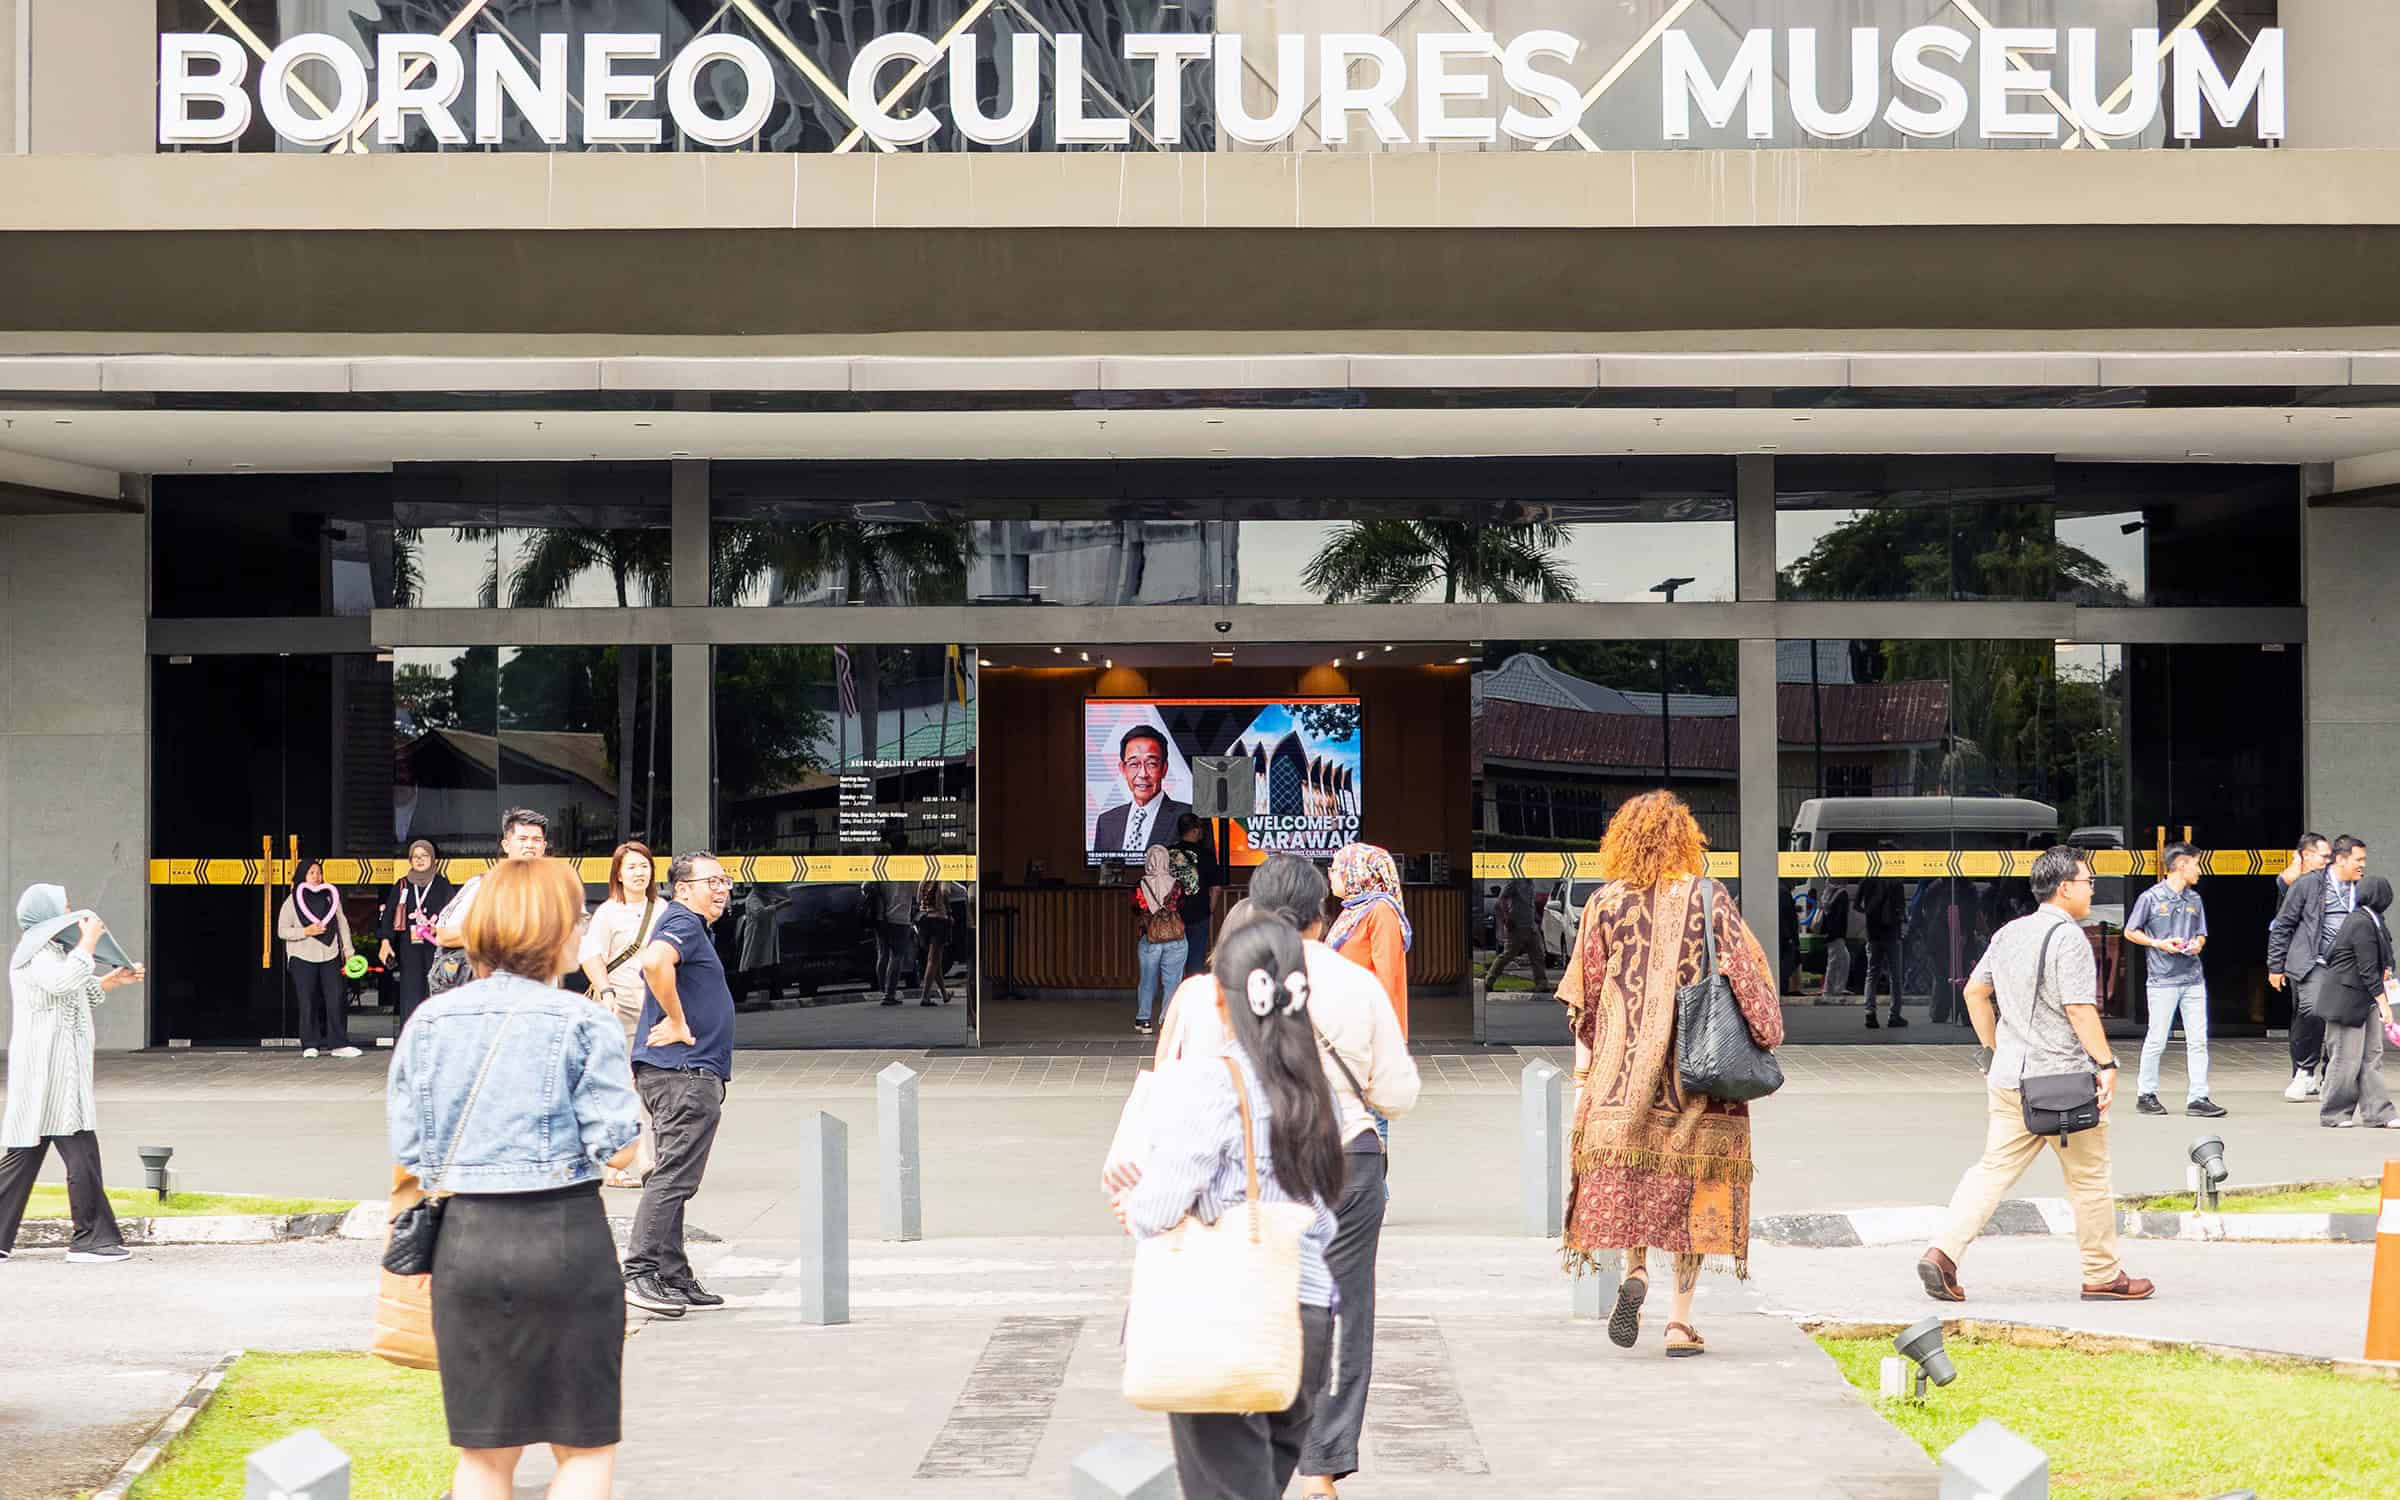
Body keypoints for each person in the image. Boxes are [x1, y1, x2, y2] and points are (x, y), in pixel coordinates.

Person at [385, 857, 641, 1500]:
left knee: (485, 1456)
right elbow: (619, 1150)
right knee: (583, 1449)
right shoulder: (585, 1021)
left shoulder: (429, 1022)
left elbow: (411, 1149)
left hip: (465, 1244)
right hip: (566, 1239)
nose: (581, 929)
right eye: (577, 918)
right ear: (553, 929)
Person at [1113, 920, 1345, 1500]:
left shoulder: (1215, 1082)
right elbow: (1325, 1212)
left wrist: (1133, 1204)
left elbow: (1159, 1207)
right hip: (1308, 1319)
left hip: (1226, 1314)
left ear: (1223, 997)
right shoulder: (1320, 1088)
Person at [1556, 792, 1782, 1358]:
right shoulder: (1709, 897)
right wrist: (1767, 1030)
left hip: (1621, 1079)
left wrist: (1586, 1075)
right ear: (1686, 838)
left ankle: (1635, 1272)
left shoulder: (1604, 903)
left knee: (1636, 1179)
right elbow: (1748, 975)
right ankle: (1680, 1323)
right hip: (1697, 1074)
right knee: (1693, 1189)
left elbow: (1583, 999)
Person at [1918, 847, 2154, 1307]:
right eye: (2088, 882)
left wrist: (1994, 1051)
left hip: (2010, 1079)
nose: (2092, 890)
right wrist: (2107, 1065)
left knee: (1991, 1170)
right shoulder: (2070, 939)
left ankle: (1942, 1253)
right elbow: (2079, 1009)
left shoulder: (2009, 933)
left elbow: (1975, 992)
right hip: (2064, 1084)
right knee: (2089, 1179)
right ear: (2065, 888)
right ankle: (2103, 1275)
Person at [1, 886, 144, 1264]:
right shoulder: (39, 954)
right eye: (63, 906)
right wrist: (89, 940)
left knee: (25, 1155)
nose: (70, 911)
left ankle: (91, 1237)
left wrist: (112, 980)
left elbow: (73, 992)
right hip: (53, 1071)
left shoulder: (50, 953)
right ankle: (91, 1239)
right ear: (46, 913)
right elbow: (63, 983)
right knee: (80, 1148)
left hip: (50, 1071)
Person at [623, 851, 738, 1318]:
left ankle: (671, 1273)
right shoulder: (683, 922)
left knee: (672, 1173)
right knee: (675, 1177)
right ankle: (639, 1270)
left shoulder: (691, 926)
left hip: (678, 1073)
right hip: (683, 1073)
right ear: (684, 888)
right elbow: (654, 963)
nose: (722, 889)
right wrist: (676, 1020)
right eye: (713, 881)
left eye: (725, 881)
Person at [579, 842, 665, 1187]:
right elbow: (590, 955)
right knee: (627, 1085)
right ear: (618, 874)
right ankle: (642, 1161)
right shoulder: (608, 913)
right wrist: (606, 991)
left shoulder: (663, 909)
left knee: (646, 1084)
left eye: (644, 866)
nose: (639, 872)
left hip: (653, 1009)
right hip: (617, 1008)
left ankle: (616, 1167)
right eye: (631, 867)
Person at [2126, 844, 2224, 1119]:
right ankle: (2145, 1094)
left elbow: (2202, 934)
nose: (2199, 870)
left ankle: (2198, 1097)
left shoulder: (2194, 899)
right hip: (2162, 979)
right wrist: (2158, 943)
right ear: (2182, 865)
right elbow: (2130, 931)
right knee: (2157, 1038)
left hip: (2193, 977)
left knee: (2198, 1040)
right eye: (2196, 864)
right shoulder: (2151, 897)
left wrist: (2197, 944)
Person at [2269, 834, 2368, 1103]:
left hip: (2347, 964)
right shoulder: (2308, 884)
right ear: (2342, 859)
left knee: (2340, 1019)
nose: (2362, 865)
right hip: (2314, 961)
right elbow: (2284, 924)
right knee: (2312, 1009)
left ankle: (2329, 1076)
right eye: (2359, 859)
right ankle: (2304, 1070)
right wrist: (2275, 965)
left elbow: (2375, 925)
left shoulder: (2360, 887)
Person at [2317, 874, 2399, 1129]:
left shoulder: (2374, 921)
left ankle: (2379, 1113)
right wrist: (2385, 1005)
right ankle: (2334, 1113)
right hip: (2347, 1000)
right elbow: (2366, 968)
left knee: (2372, 1056)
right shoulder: (2361, 922)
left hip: (2364, 999)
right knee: (2346, 1058)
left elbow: (2383, 959)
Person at [434, 809, 552, 951]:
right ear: (506, 845)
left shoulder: (556, 892)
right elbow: (444, 935)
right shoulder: (482, 885)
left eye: (536, 840)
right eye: (522, 839)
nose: (530, 845)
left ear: (543, 847)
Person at [277, 858, 359, 1059]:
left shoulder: (330, 897)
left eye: (319, 872)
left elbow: (342, 925)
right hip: (302, 956)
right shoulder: (292, 901)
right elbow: (282, 931)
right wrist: (306, 931)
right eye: (311, 873)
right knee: (308, 1000)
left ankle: (339, 1044)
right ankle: (310, 1044)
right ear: (302, 876)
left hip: (330, 954)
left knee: (336, 997)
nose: (316, 876)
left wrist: (349, 952)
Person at [1326, 843, 1410, 1036]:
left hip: (1366, 1027)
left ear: (1357, 872)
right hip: (1347, 1020)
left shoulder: (1381, 911)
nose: (1330, 875)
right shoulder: (1354, 909)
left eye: (1336, 869)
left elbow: (1386, 976)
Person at [379, 839, 454, 1032]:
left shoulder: (442, 885)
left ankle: (436, 1037)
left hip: (435, 947)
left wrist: (439, 928)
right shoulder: (402, 885)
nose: (420, 860)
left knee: (436, 991)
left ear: (433, 858)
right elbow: (388, 917)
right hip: (409, 949)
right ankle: (411, 1038)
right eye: (415, 856)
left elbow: (454, 915)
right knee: (410, 994)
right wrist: (385, 942)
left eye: (424, 856)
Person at [1092, 725, 1192, 854]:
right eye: (1134, 764)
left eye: (1151, 764)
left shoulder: (1189, 817)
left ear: (1164, 769)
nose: (1143, 774)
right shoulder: (1106, 822)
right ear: (1123, 769)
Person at [1131, 844, 1190, 1038]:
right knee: (1172, 982)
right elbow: (1182, 906)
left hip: (1150, 937)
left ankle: (1144, 1020)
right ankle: (1167, 1021)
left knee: (1147, 980)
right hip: (1176, 939)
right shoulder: (1177, 884)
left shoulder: (1140, 885)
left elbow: (1136, 908)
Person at [1857, 868, 1907, 1029]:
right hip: (1892, 934)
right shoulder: (1896, 882)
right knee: (1895, 977)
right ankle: (1894, 1015)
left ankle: (1870, 1013)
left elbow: (1857, 905)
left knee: (1872, 974)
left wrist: (1870, 914)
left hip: (1873, 934)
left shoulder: (1866, 880)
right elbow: (1901, 908)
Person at [1175, 813, 1221, 980]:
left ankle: (1174, 993)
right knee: (1195, 960)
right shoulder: (1207, 854)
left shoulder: (1168, 852)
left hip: (1172, 915)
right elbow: (1216, 889)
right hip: (1199, 912)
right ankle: (1192, 992)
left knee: (1173, 962)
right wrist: (1209, 910)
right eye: (1200, 828)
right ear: (1194, 831)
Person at [1483, 877, 1549, 994]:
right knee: (1508, 955)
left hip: (1531, 926)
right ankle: (1489, 981)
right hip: (1517, 926)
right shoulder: (1515, 882)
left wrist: (1536, 919)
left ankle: (1541, 983)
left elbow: (1529, 904)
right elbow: (1502, 899)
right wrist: (1506, 917)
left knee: (1537, 955)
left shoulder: (1531, 883)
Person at [865, 870, 917, 1008]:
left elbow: (865, 886)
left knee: (882, 954)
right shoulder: (908, 873)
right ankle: (889, 994)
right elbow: (916, 894)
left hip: (881, 919)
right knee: (897, 956)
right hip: (900, 919)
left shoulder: (882, 870)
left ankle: (883, 990)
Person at [914, 873, 957, 1006]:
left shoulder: (924, 879)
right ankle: (925, 997)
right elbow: (945, 892)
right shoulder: (944, 877)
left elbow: (918, 899)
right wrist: (949, 913)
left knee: (935, 960)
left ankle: (944, 994)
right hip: (938, 920)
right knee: (933, 960)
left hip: (924, 920)